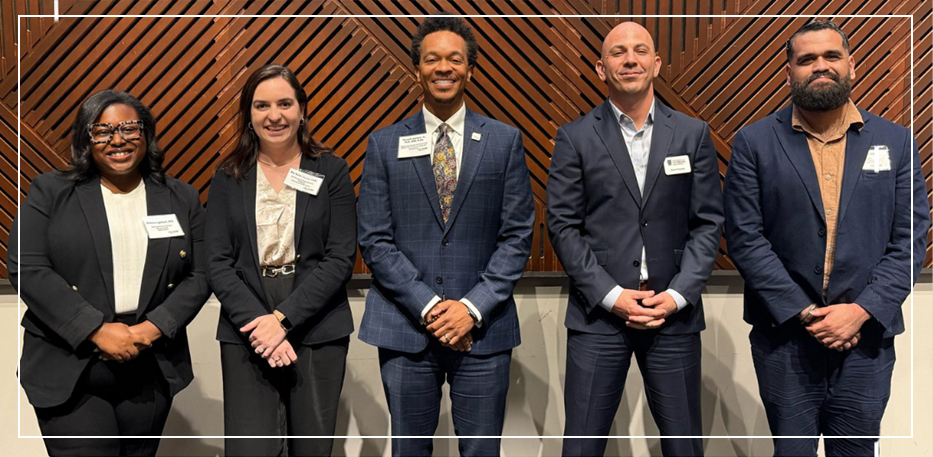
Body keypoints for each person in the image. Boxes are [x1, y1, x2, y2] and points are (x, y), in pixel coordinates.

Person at [723, 20, 930, 456]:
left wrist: (859, 311)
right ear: (789, 72)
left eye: (831, 56)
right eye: (807, 59)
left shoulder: (895, 141)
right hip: (785, 340)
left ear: (851, 64)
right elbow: (745, 238)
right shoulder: (754, 143)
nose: (821, 66)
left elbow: (910, 238)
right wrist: (806, 314)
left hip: (866, 339)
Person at [356, 13, 534, 457]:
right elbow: (375, 239)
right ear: (417, 68)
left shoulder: (504, 141)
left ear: (470, 69)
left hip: (484, 327)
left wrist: (471, 307)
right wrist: (432, 307)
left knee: (481, 450)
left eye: (454, 59)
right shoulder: (383, 144)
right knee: (409, 450)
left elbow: (517, 236)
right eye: (432, 59)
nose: (443, 67)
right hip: (404, 326)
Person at [547, 21, 723, 457]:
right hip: (598, 318)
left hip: (673, 317)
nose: (630, 59)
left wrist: (679, 295)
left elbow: (707, 223)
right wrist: (611, 296)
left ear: (657, 64)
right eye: (618, 52)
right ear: (601, 68)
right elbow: (563, 226)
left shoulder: (692, 133)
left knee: (684, 446)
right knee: (582, 445)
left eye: (640, 50)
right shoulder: (575, 136)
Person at [9, 89, 210, 456]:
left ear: (146, 134)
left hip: (150, 360)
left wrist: (151, 329)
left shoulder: (181, 198)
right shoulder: (51, 192)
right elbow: (27, 267)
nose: (117, 140)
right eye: (101, 131)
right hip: (69, 365)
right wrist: (96, 330)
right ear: (85, 138)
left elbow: (202, 274)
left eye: (129, 128)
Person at [205, 64, 357, 457]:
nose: (274, 115)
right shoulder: (228, 176)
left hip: (317, 321)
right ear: (249, 114)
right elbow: (217, 262)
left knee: (312, 449)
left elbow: (340, 257)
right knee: (250, 449)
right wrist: (263, 325)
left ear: (302, 109)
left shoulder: (332, 169)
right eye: (262, 105)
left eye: (285, 103)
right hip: (246, 325)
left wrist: (283, 320)